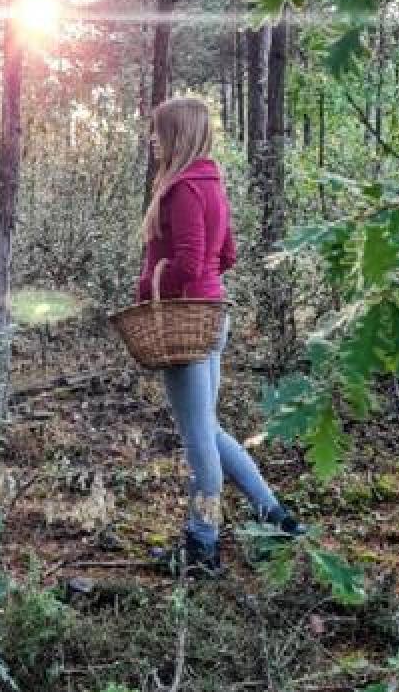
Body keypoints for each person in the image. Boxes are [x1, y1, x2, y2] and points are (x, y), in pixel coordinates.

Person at [138, 96, 306, 577]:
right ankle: (275, 518)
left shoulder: (185, 188)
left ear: (179, 134)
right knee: (208, 430)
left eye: (159, 129)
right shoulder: (210, 182)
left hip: (185, 322)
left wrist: (151, 283)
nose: (153, 138)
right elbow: (226, 254)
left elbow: (189, 263)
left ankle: (203, 545)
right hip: (212, 314)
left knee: (199, 446)